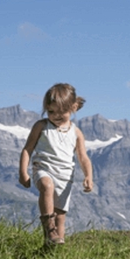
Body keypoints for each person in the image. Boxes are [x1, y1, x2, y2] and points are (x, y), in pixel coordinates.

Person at [19, 83, 93, 245]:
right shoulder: (41, 126)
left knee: (60, 215)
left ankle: (55, 247)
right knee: (47, 186)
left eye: (62, 112)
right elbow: (27, 149)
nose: (56, 116)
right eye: (51, 112)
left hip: (65, 176)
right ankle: (48, 226)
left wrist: (88, 175)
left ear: (73, 108)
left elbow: (83, 157)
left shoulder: (76, 132)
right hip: (44, 169)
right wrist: (23, 172)